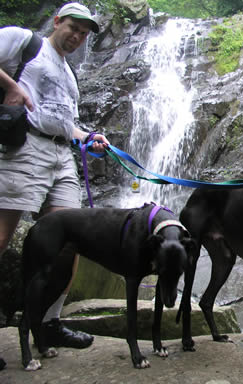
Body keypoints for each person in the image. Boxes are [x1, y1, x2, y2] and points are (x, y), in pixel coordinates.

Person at [0, 2, 109, 362]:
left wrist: (88, 137)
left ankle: (49, 322)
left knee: (71, 240)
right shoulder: (24, 41)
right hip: (26, 148)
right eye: (73, 27)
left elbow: (63, 122)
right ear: (57, 21)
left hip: (64, 158)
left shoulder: (69, 74)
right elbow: (30, 107)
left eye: (83, 33)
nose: (77, 36)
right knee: (2, 235)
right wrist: (12, 87)